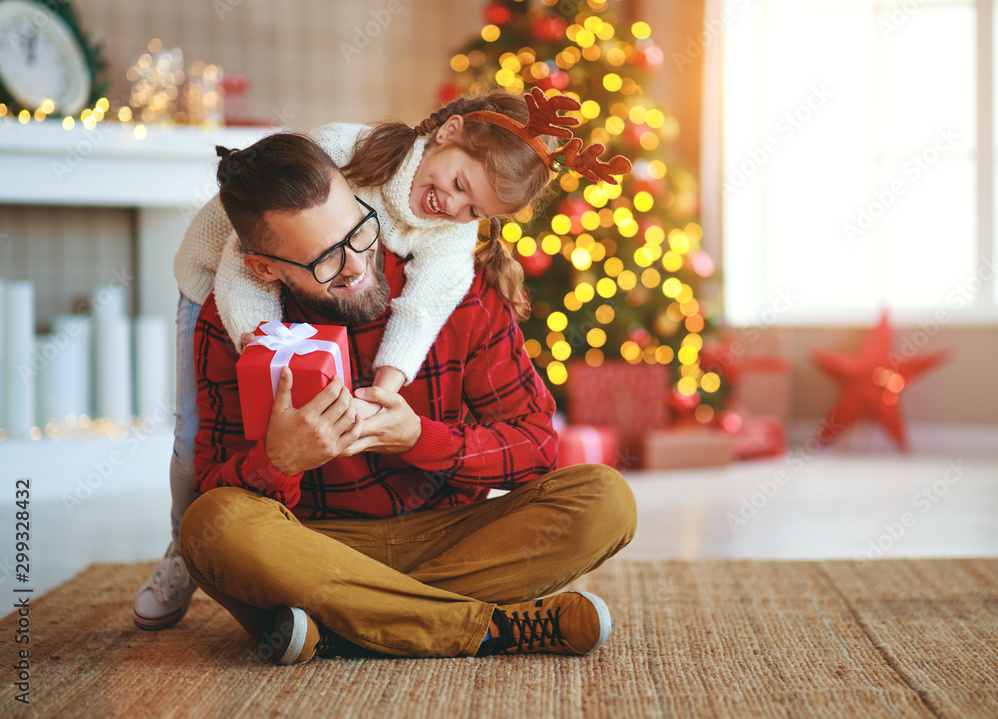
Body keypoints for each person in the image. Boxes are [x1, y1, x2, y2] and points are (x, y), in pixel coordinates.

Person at [133, 89, 632, 632]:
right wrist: (278, 461)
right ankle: (475, 626)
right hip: (311, 545)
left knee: (605, 499)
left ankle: (338, 623)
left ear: (361, 201)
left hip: (444, 535)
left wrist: (422, 439)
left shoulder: (454, 285)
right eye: (324, 260)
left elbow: (537, 446)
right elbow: (213, 483)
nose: (355, 267)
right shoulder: (236, 314)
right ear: (266, 269)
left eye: (360, 234)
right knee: (215, 526)